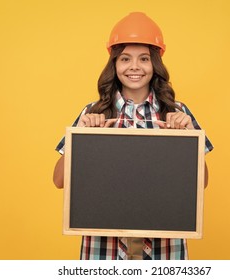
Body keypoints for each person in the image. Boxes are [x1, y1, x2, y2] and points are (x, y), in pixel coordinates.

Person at [53, 12, 213, 260]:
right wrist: (82, 138)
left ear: (155, 65)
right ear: (114, 65)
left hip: (164, 250)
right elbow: (59, 180)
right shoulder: (93, 113)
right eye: (125, 59)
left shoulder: (176, 113)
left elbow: (200, 184)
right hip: (104, 249)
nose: (135, 67)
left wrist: (189, 139)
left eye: (144, 59)